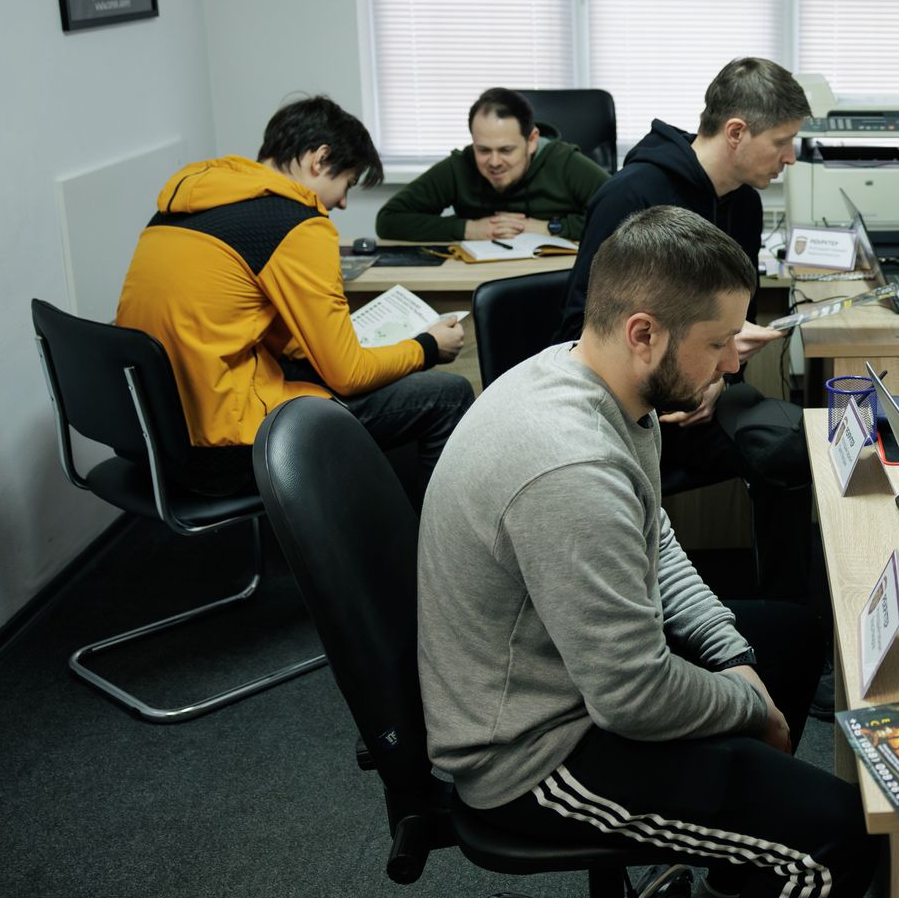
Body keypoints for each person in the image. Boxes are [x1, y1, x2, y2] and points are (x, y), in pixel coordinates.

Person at [418, 206, 875, 898]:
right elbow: (629, 693)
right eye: (719, 344)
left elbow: (652, 534)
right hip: (532, 754)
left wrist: (732, 658)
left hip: (568, 676)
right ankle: (778, 871)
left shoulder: (601, 381)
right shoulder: (570, 466)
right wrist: (745, 708)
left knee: (786, 638)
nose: (733, 363)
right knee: (840, 834)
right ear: (644, 333)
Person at [116, 96, 472, 494]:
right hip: (223, 444)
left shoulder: (184, 202)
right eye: (347, 183)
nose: (342, 202)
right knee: (447, 394)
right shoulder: (297, 223)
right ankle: (430, 547)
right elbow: (349, 376)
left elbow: (226, 317)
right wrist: (426, 346)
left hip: (149, 429)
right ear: (319, 159)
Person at [555, 57, 813, 600]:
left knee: (802, 445)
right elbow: (579, 332)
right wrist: (681, 379)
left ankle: (794, 622)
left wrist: (716, 378)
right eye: (783, 142)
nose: (791, 157)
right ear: (737, 132)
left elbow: (726, 326)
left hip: (705, 394)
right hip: (635, 409)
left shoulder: (743, 204)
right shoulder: (631, 196)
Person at [375, 87, 609, 243]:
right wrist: (471, 229)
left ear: (531, 141)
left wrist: (552, 229)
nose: (494, 162)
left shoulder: (565, 163)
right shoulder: (460, 166)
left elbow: (627, 216)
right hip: (479, 280)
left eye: (506, 150)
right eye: (483, 150)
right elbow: (389, 220)